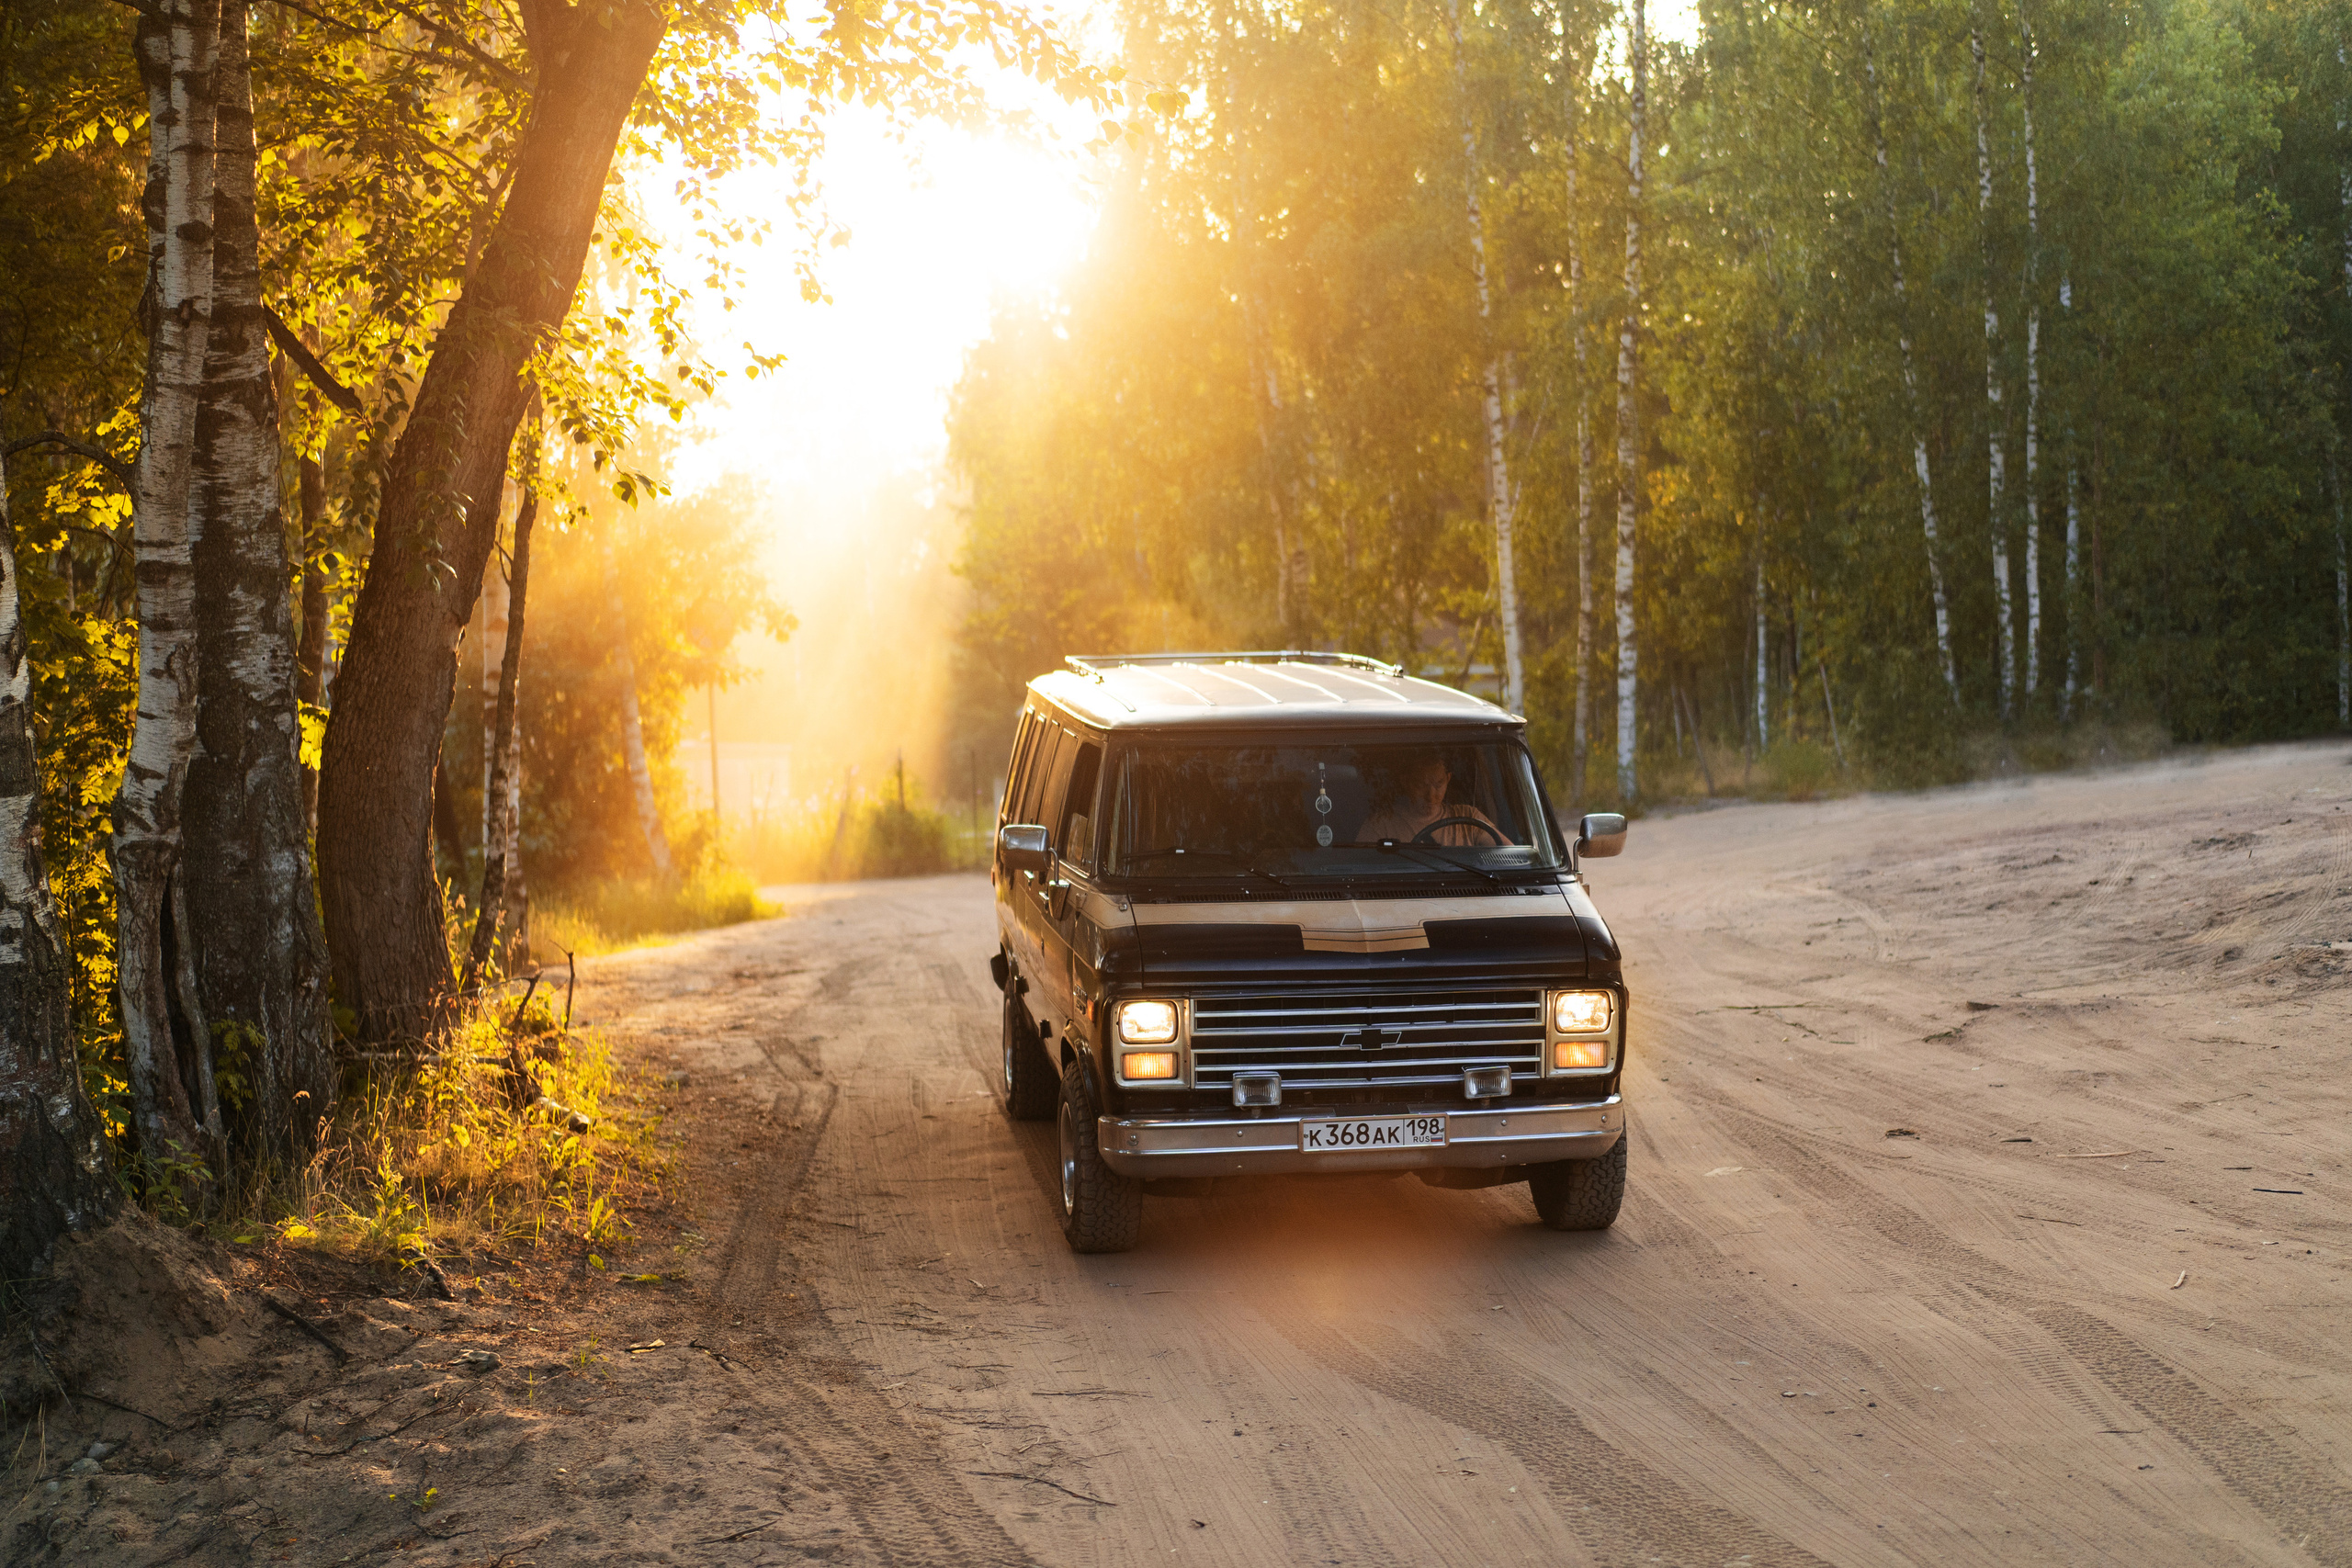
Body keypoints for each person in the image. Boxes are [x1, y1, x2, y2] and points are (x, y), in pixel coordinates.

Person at [1355, 751, 1508, 847]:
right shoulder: (1381, 826)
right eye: (1422, 785)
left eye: (1439, 784)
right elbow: (1360, 870)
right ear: (1405, 782)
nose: (1431, 796)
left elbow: (1510, 856)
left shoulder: (1469, 819)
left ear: (1448, 779)